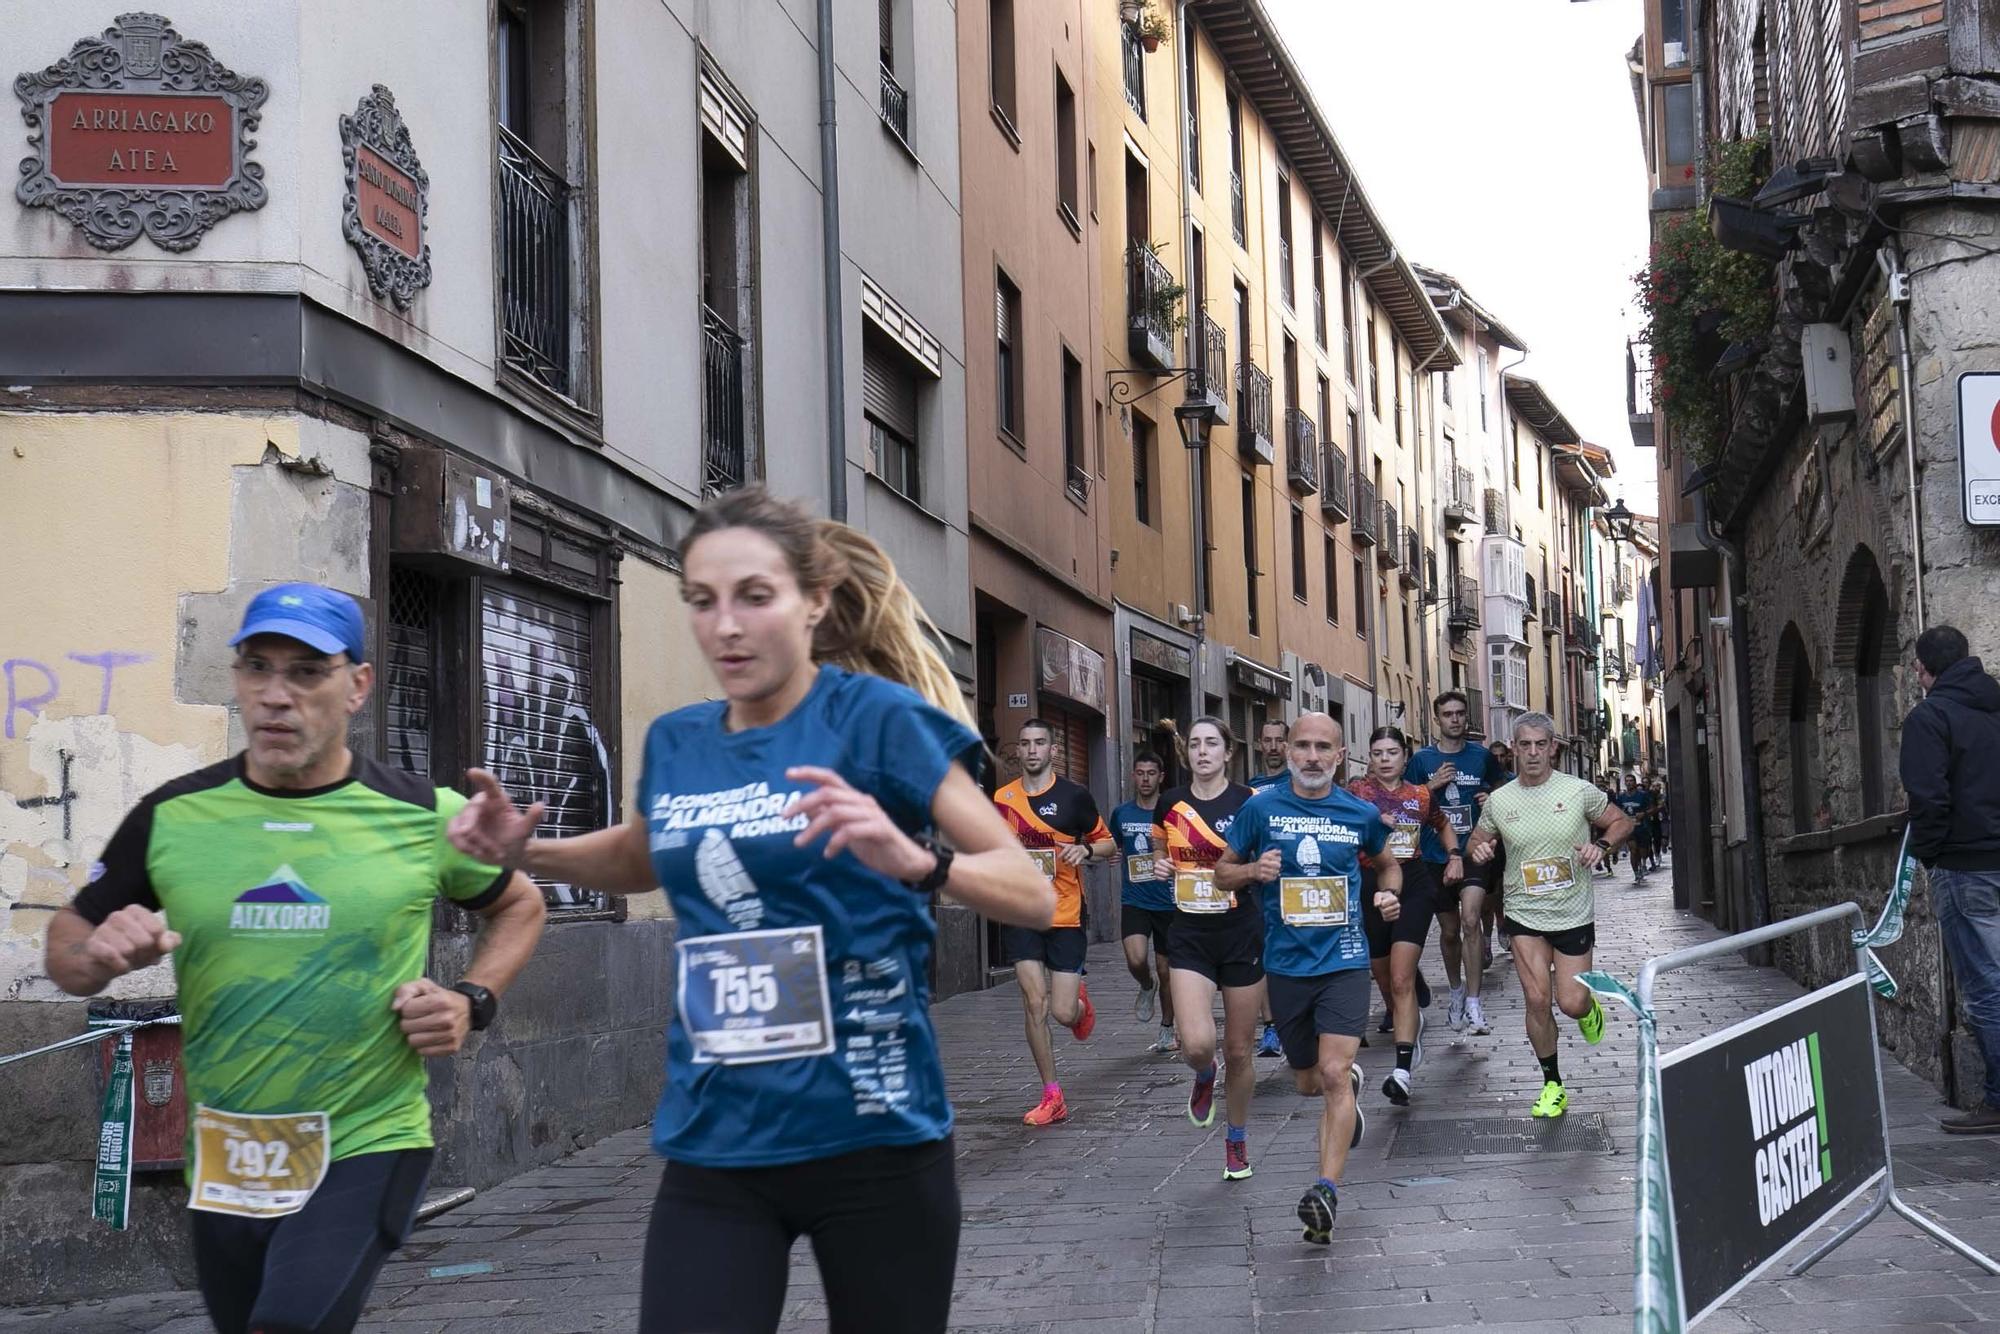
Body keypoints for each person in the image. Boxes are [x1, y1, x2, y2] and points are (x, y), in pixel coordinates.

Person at [446, 487, 1054, 1333]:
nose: (725, 626)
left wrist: (916, 861)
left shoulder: (878, 722)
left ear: (813, 601)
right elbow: (645, 850)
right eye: (703, 602)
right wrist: (529, 854)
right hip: (718, 1139)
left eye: (754, 598)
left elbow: (1025, 886)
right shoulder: (680, 741)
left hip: (874, 1134)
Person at [45, 583, 549, 1334]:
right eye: (257, 668)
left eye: (307, 672)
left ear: (357, 686)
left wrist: (471, 999)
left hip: (367, 1136)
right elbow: (67, 946)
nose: (276, 696)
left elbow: (519, 903)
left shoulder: (421, 813)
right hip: (225, 1150)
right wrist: (98, 957)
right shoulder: (174, 816)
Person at [1218, 713, 1399, 1244]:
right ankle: (1344, 1093)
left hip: (1344, 960)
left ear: (1341, 756)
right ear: (1288, 752)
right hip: (1286, 966)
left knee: (1335, 1073)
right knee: (1307, 1082)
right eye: (1303, 746)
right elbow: (1221, 871)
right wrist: (1253, 872)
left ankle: (1326, 1191)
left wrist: (1390, 894)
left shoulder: (1360, 813)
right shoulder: (1260, 808)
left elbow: (1388, 865)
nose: (1313, 756)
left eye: (1324, 747)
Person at [1466, 713, 1634, 1120]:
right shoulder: (1501, 800)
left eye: (1541, 744)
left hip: (1573, 912)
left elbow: (1621, 821)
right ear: (1514, 749)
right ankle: (1552, 1084)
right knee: (1537, 999)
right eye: (1525, 745)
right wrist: (1479, 850)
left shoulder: (1578, 791)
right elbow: (1477, 839)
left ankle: (1588, 1009)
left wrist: (1602, 846)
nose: (1533, 753)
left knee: (1570, 1003)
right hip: (1524, 914)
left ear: (1553, 747)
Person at [1899, 626, 2000, 1134]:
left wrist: (1932, 855)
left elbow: (1928, 799)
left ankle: (1999, 1098)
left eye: (1916, 669)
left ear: (1925, 670)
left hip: (1967, 864)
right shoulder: (1995, 705)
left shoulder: (1930, 717)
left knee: (1985, 984)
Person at [1152, 719, 1261, 1179]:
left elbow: (1268, 857)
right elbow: (1161, 852)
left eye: (1211, 743)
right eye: (1194, 744)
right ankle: (1202, 1073)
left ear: (1228, 751)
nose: (1202, 752)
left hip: (1242, 932)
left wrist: (1252, 870)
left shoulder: (1250, 803)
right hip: (1190, 934)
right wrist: (1161, 865)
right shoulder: (1170, 803)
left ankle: (1236, 1140)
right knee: (1197, 1043)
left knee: (1239, 1050)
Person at [995, 718, 1116, 1126]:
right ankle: (1052, 1095)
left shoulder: (1074, 797)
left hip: (1065, 913)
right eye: (1025, 743)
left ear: (1053, 751)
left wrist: (1086, 850)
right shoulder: (1002, 798)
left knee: (1063, 1013)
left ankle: (1079, 1006)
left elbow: (1108, 843)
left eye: (1039, 743)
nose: (1032, 750)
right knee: (1034, 1002)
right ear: (1019, 751)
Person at [1348, 727, 1458, 1105]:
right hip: (1369, 884)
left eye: (1392, 752)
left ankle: (1403, 1070)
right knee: (1383, 976)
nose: (1384, 759)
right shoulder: (1355, 792)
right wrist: (1372, 824)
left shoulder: (1420, 795)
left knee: (1399, 979)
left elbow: (1443, 825)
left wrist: (1454, 857)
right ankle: (1410, 1017)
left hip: (1412, 883)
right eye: (1377, 752)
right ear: (1368, 757)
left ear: (1404, 757)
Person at [1407, 691, 1501, 1035]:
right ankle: (1457, 991)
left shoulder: (1482, 757)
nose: (1455, 719)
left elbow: (1502, 790)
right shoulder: (1421, 760)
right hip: (1434, 855)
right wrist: (1430, 786)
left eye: (1460, 713)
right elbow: (1406, 804)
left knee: (1471, 920)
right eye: (1448, 714)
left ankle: (1475, 1003)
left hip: (1473, 850)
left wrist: (1490, 796)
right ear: (1437, 719)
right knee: (1448, 933)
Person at [1112, 751, 1176, 1053]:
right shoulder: (1122, 813)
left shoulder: (1172, 812)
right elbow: (1112, 844)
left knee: (1168, 971)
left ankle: (1166, 1028)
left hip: (1168, 903)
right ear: (1134, 775)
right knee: (1137, 959)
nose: (1146, 778)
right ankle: (1145, 985)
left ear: (1161, 777)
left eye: (1152, 773)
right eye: (1140, 773)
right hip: (1135, 900)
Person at [1614, 773, 1654, 881]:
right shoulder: (1621, 797)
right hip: (1629, 828)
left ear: (1635, 783)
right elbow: (1617, 811)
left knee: (1642, 851)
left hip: (1641, 827)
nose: (1629, 783)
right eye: (1627, 781)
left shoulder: (1643, 795)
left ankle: (1642, 865)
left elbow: (1652, 809)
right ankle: (1636, 872)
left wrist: (1644, 814)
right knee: (1633, 850)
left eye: (1631, 781)